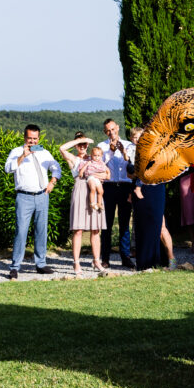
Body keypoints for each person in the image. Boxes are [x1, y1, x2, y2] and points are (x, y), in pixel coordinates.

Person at [3, 124, 62, 279]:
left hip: (42, 195)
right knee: (21, 232)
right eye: (30, 138)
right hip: (24, 197)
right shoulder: (16, 152)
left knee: (41, 230)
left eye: (35, 139)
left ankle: (40, 264)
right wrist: (23, 155)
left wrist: (53, 182)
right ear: (24, 137)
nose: (32, 141)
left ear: (39, 138)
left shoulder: (45, 152)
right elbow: (8, 168)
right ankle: (15, 267)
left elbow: (56, 167)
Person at [59, 133, 108, 276]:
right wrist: (80, 139)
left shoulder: (94, 157)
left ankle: (96, 260)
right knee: (78, 229)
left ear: (88, 146)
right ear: (75, 145)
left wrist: (100, 176)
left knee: (95, 229)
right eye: (79, 144)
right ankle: (76, 262)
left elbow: (105, 174)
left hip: (94, 187)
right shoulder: (73, 159)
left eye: (84, 144)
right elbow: (62, 148)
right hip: (80, 190)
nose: (82, 146)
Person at [128, 126, 174, 271]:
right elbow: (130, 174)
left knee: (160, 225)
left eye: (141, 137)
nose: (139, 140)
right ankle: (144, 263)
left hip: (155, 188)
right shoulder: (131, 152)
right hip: (139, 189)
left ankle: (170, 260)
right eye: (135, 137)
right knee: (142, 226)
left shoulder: (157, 151)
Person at [97, 118, 135, 269]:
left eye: (113, 129)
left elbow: (133, 164)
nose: (111, 133)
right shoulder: (101, 146)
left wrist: (125, 153)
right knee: (106, 223)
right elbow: (99, 165)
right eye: (108, 130)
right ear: (105, 132)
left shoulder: (128, 145)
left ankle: (125, 257)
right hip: (109, 187)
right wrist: (111, 153)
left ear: (118, 128)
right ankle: (105, 258)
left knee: (125, 224)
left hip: (125, 186)